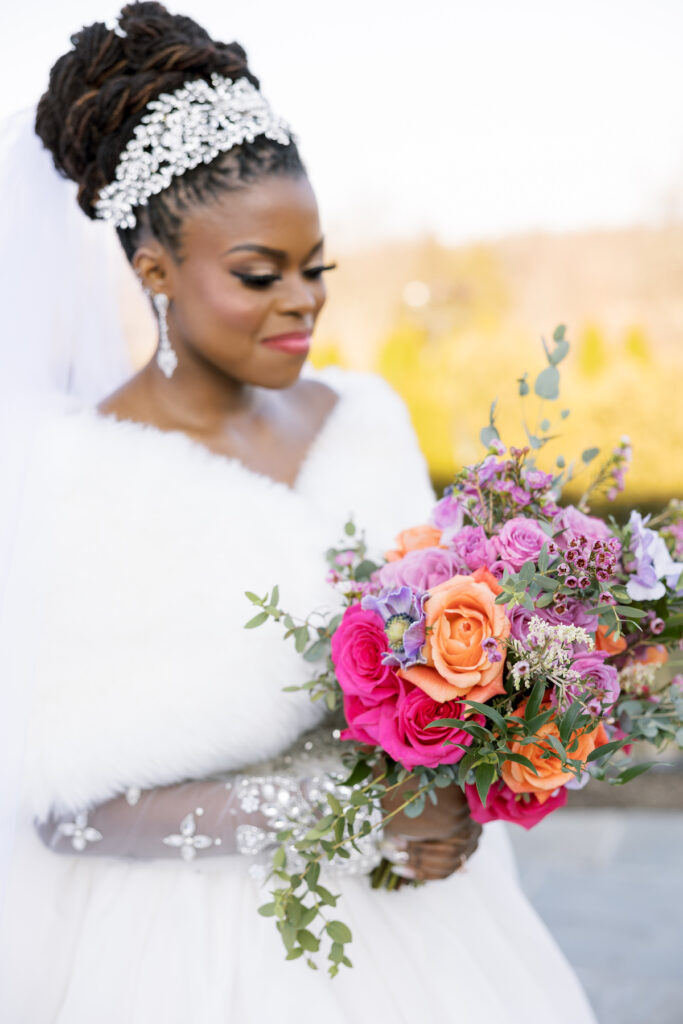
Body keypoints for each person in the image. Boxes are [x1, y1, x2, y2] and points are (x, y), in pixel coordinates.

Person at [0, 4, 598, 1021]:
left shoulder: (367, 422)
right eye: (256, 275)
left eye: (313, 264)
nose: (302, 300)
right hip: (188, 955)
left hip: (423, 928)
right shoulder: (70, 477)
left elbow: (437, 669)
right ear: (154, 273)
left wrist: (491, 743)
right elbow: (67, 807)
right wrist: (352, 813)